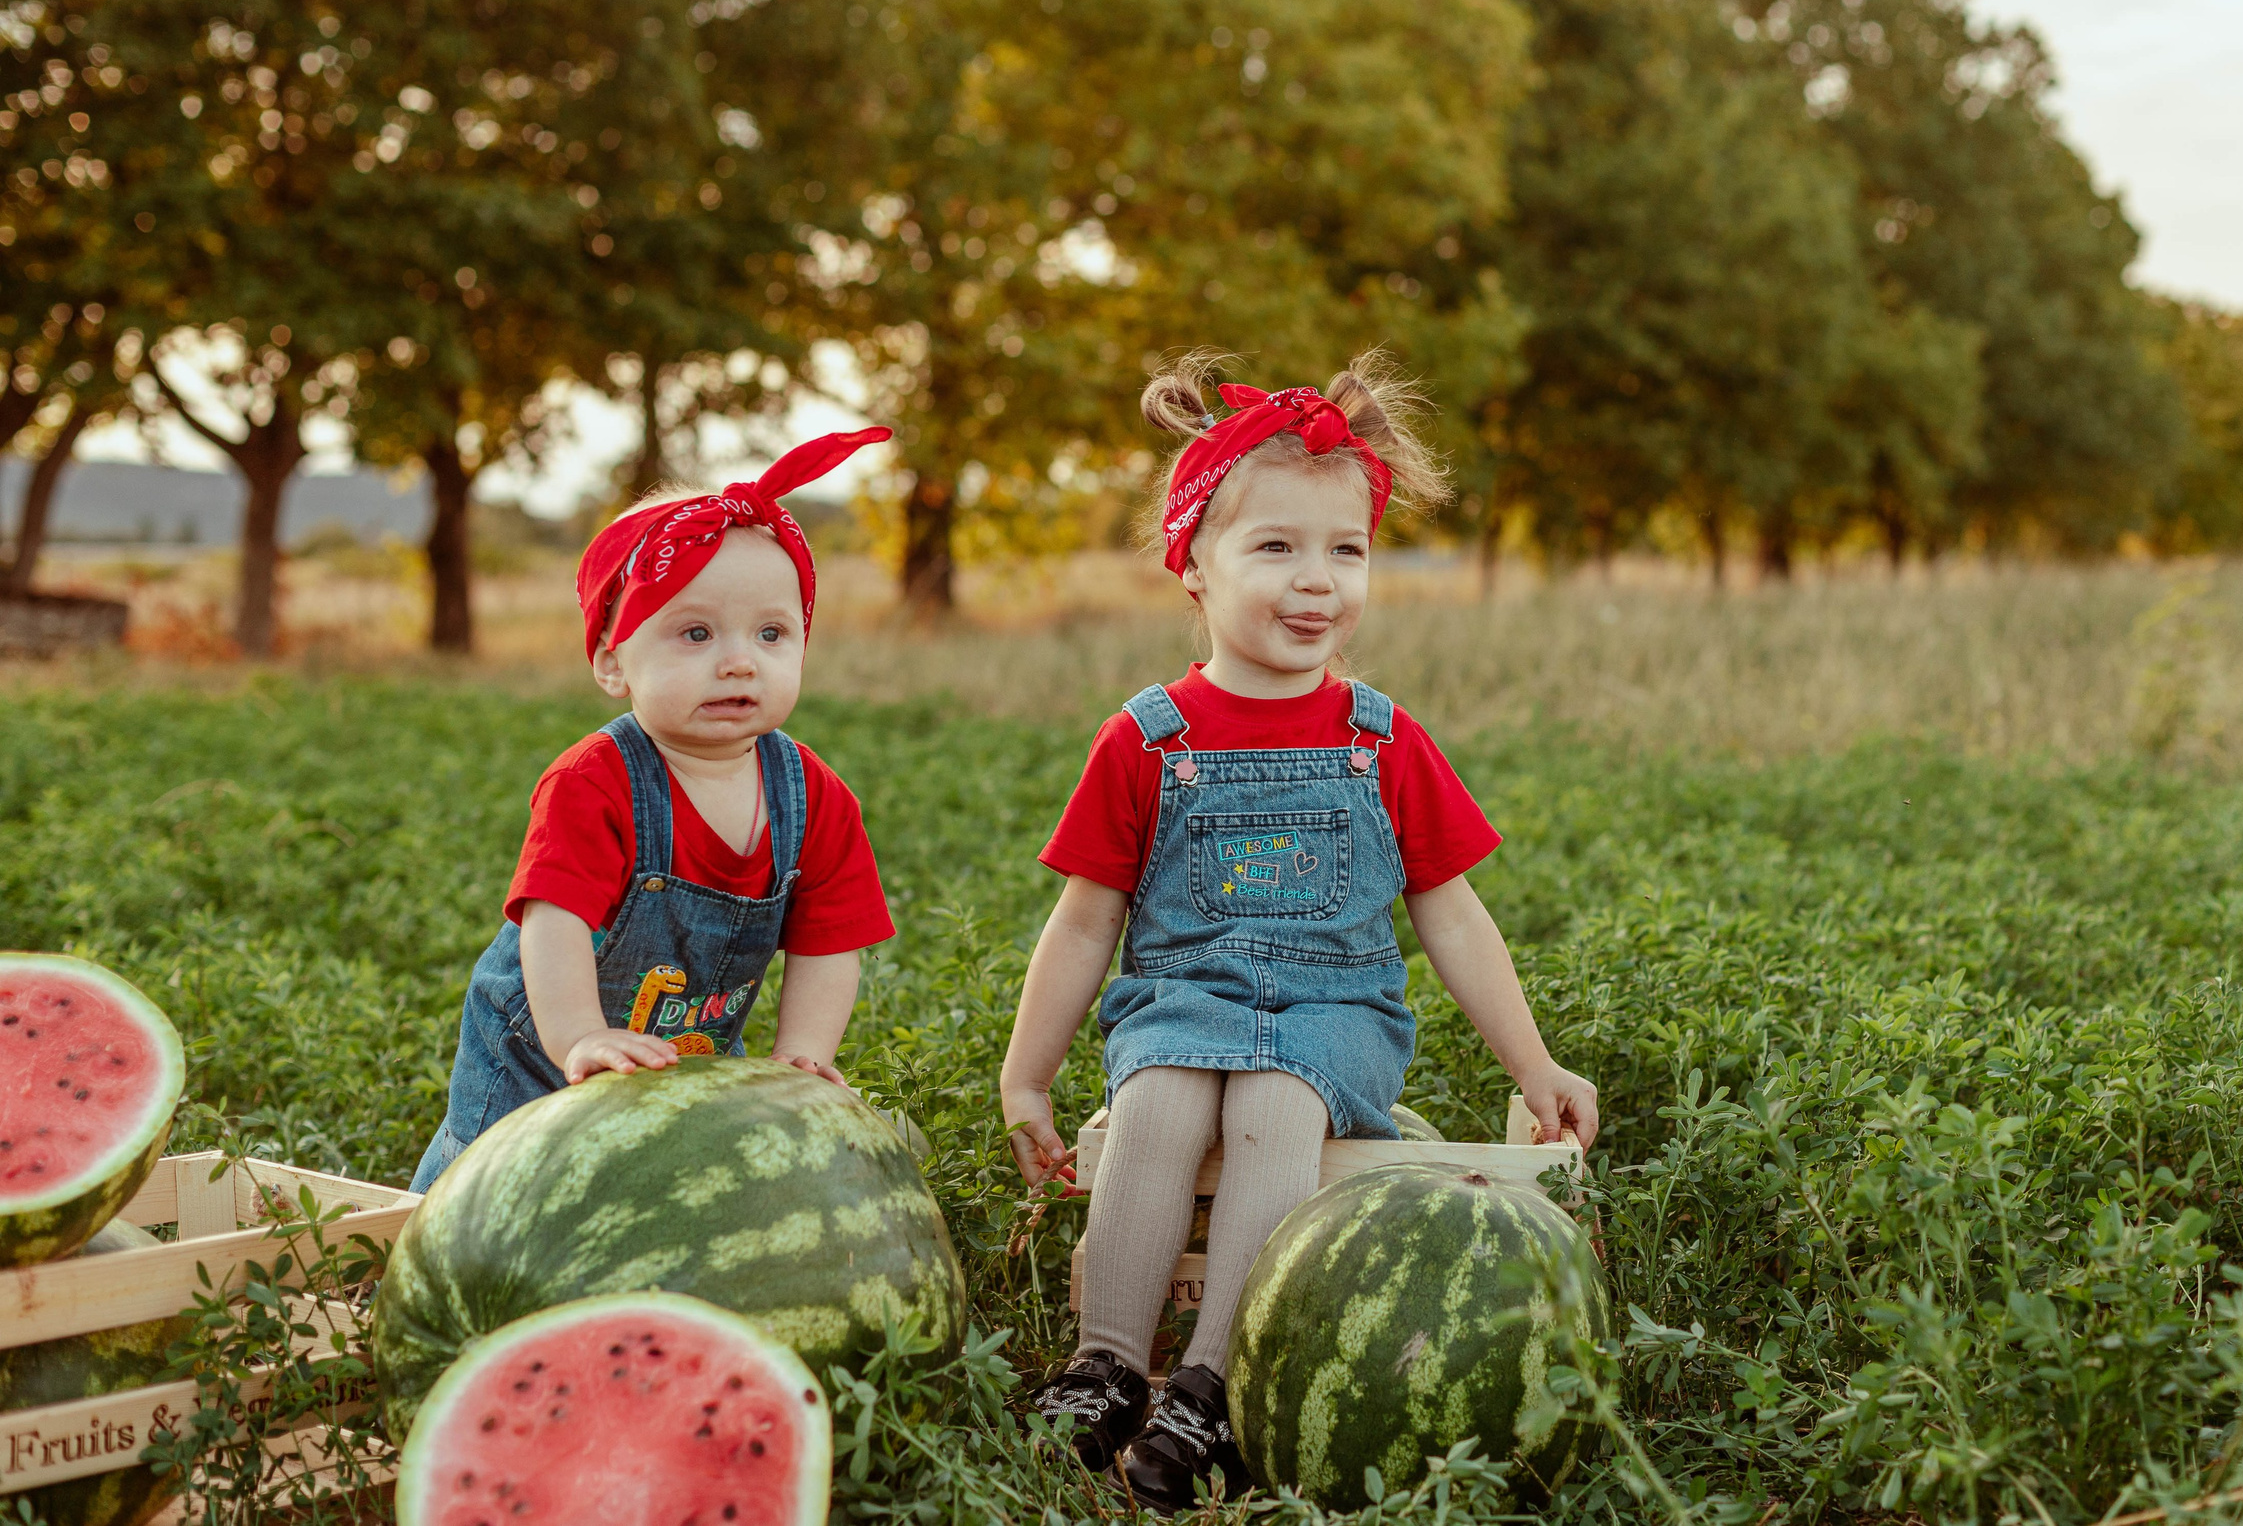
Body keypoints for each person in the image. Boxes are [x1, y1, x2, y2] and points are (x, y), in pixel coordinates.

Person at [998, 353, 1601, 1511]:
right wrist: (1030, 1076)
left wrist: (1533, 1063)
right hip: (1183, 996)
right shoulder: (1147, 736)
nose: (1316, 580)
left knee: (1273, 1102)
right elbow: (1083, 922)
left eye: (1346, 549)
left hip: (1336, 1012)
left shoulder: (1381, 737)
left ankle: (1213, 1382)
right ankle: (1111, 1359)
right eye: (1274, 547)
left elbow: (1452, 913)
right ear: (1193, 565)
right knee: (1161, 1096)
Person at [409, 431, 901, 1194]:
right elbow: (554, 921)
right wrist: (581, 1038)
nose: (739, 660)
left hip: (689, 1058)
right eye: (695, 633)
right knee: (486, 1198)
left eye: (772, 634)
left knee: (664, 1202)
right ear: (612, 661)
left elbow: (830, 943)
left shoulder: (814, 797)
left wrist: (801, 1055)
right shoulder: (595, 781)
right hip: (539, 1061)